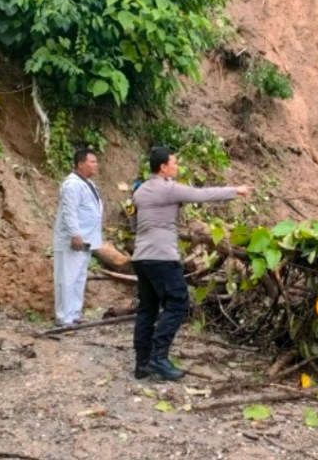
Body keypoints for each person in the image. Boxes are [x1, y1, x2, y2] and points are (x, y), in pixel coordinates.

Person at [132, 146, 251, 380]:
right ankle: (158, 357)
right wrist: (235, 190)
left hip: (141, 256)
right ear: (163, 167)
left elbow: (136, 225)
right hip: (161, 257)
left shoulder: (141, 190)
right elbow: (201, 195)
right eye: (174, 163)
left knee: (147, 309)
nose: (177, 167)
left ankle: (142, 363)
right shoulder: (167, 189)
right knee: (178, 302)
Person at [52, 148, 103, 327]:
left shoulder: (88, 183)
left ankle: (74, 313)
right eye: (92, 162)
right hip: (72, 240)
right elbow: (69, 211)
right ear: (80, 164)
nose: (95, 165)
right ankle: (63, 317)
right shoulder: (72, 184)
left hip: (85, 238)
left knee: (79, 277)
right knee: (67, 278)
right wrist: (75, 233)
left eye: (96, 162)